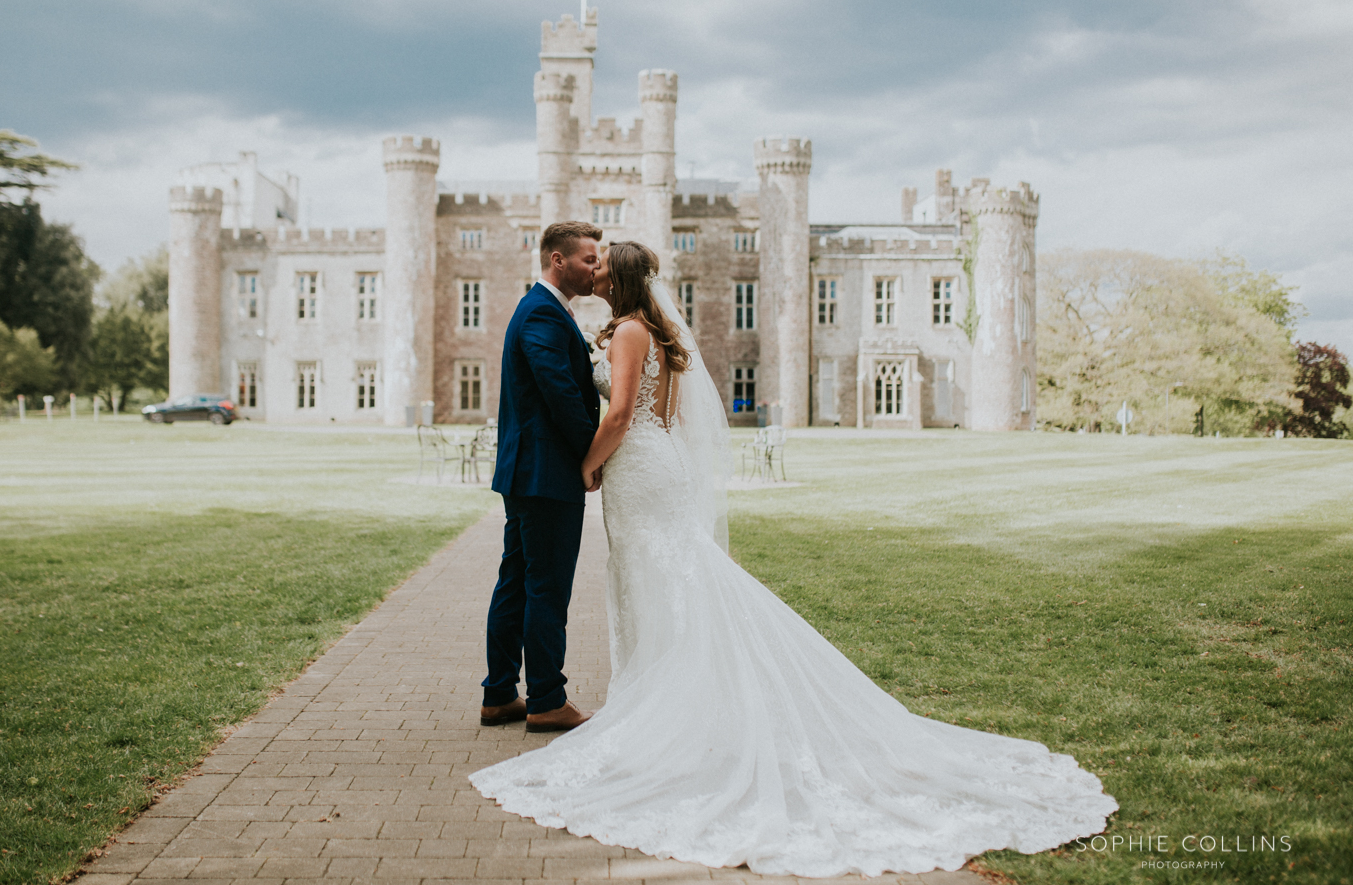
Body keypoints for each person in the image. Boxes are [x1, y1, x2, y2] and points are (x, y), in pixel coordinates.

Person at [471, 241, 1118, 878]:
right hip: (652, 468)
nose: (595, 272)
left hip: (637, 471)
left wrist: (588, 467)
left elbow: (616, 418)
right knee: (666, 584)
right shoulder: (652, 330)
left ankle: (662, 713)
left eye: (604, 267)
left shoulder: (628, 333)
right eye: (591, 262)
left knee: (656, 583)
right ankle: (656, 701)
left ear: (624, 281)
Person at [481, 220, 604, 734]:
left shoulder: (547, 311)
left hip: (530, 473)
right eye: (589, 260)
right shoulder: (542, 315)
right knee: (546, 588)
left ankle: (499, 695)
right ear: (558, 260)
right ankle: (547, 699)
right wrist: (592, 456)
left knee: (516, 582)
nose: (596, 268)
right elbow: (563, 398)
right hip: (545, 474)